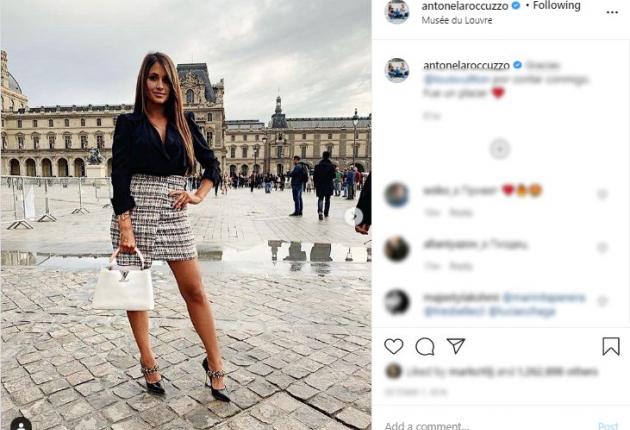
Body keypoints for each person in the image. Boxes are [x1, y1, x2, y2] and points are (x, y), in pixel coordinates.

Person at [109, 52, 230, 402]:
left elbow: (212, 165)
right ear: (143, 82)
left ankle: (215, 361)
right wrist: (125, 224)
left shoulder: (185, 122)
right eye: (153, 78)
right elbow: (119, 176)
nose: (159, 85)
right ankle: (147, 360)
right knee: (137, 291)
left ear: (174, 85)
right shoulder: (128, 123)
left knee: (195, 291)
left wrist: (198, 195)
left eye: (165, 79)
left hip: (174, 208)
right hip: (135, 209)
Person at [313, 151, 336, 220]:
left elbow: (315, 177)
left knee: (320, 198)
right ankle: (326, 213)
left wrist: (316, 184)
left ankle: (320, 212)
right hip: (328, 185)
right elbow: (334, 176)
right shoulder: (331, 166)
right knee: (327, 199)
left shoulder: (317, 166)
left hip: (320, 185)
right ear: (329, 156)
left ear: (322, 156)